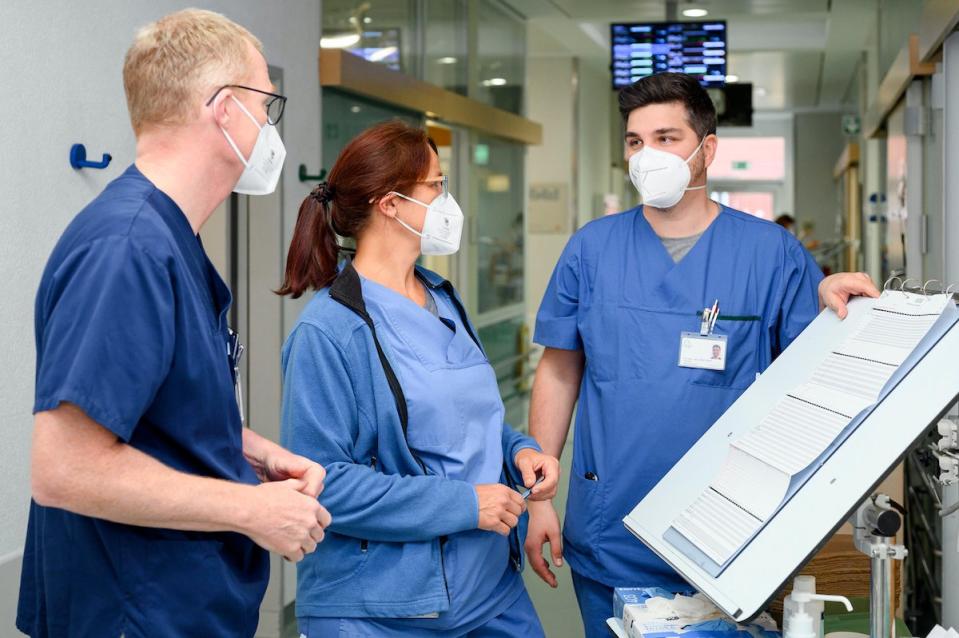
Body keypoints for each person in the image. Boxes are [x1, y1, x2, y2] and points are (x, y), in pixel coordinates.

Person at [523, 72, 879, 637]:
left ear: (705, 149)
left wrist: (832, 305)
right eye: (635, 142)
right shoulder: (592, 249)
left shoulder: (769, 254)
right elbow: (560, 369)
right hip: (609, 524)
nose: (647, 156)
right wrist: (539, 497)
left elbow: (815, 373)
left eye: (666, 138)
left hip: (728, 534)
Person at [18, 10, 331, 637]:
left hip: (177, 603)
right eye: (266, 106)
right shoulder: (128, 248)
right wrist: (250, 509)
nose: (272, 130)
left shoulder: (167, 239)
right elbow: (65, 469)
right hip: (135, 610)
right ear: (224, 108)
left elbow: (153, 409)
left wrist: (254, 452)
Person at [278, 120, 560, 637]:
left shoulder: (441, 297)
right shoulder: (329, 332)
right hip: (381, 609)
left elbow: (463, 421)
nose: (447, 201)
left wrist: (519, 450)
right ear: (390, 204)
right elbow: (323, 484)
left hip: (488, 589)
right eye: (437, 186)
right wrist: (466, 503)